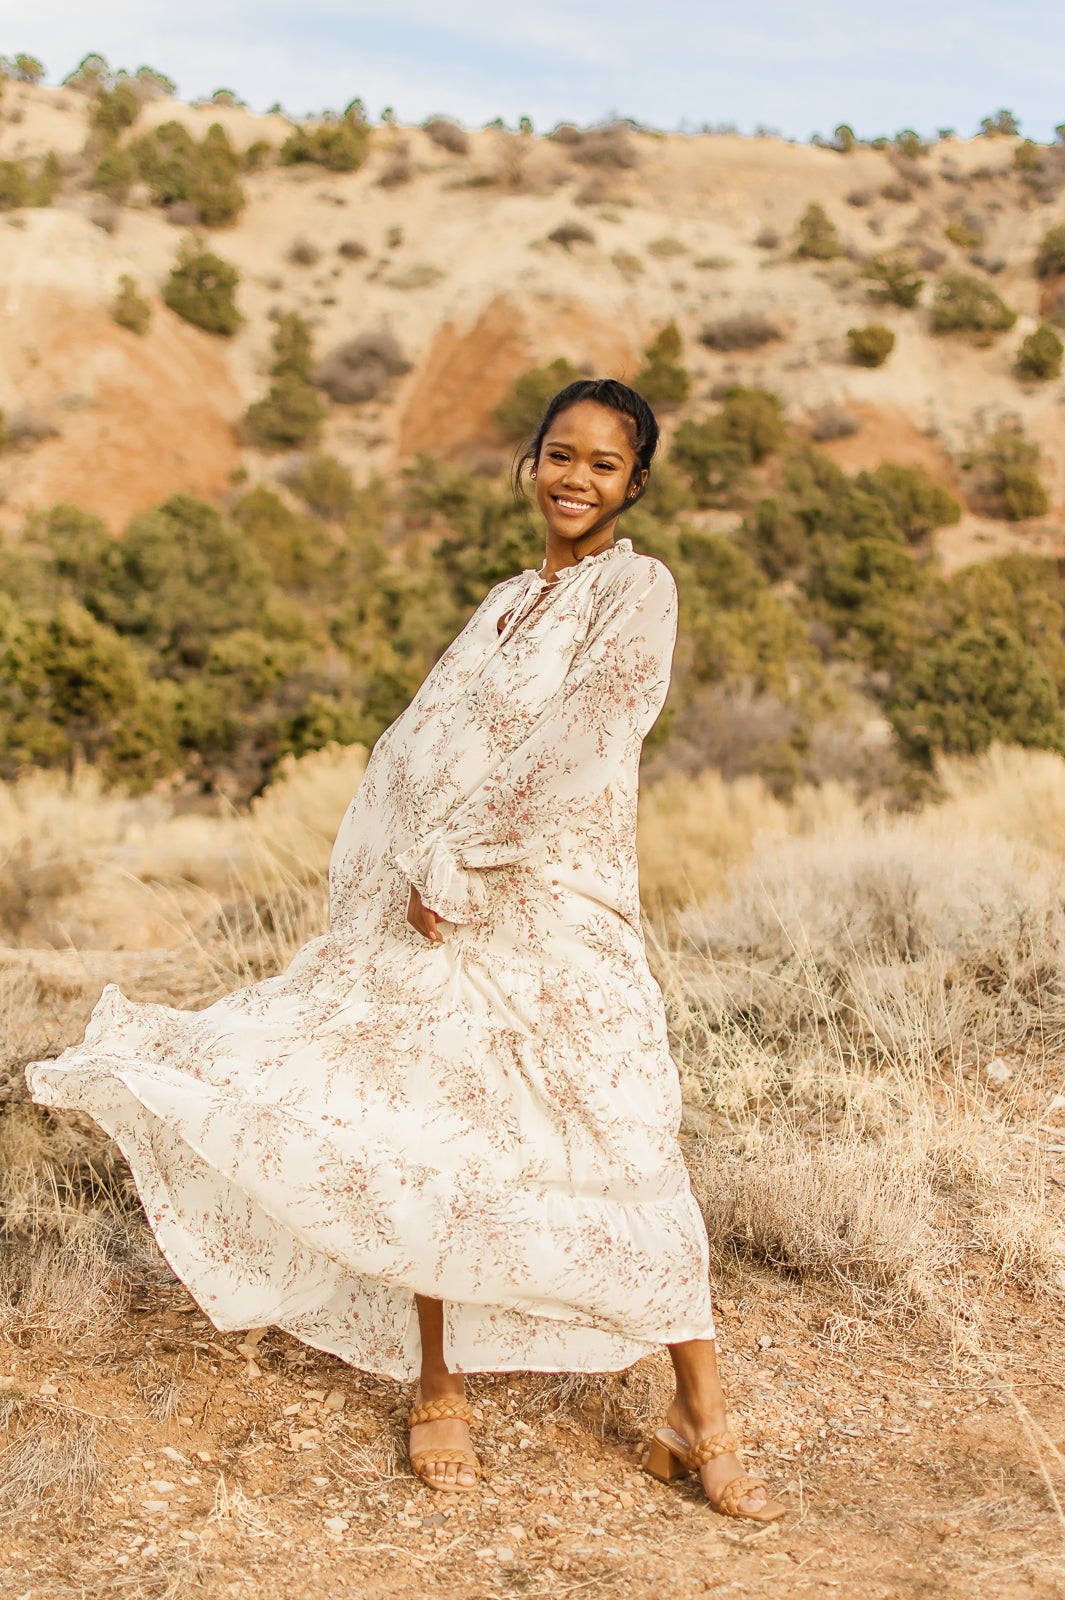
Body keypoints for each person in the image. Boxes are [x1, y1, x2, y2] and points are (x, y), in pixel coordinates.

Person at [27, 378, 783, 1522]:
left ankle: (699, 1411)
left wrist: (466, 855)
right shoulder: (498, 603)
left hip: (557, 907)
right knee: (433, 1128)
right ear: (529, 465)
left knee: (625, 1128)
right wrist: (395, 874)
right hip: (435, 910)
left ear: (636, 482)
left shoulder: (638, 591)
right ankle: (439, 1385)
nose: (576, 478)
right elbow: (415, 743)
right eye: (559, 455)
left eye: (603, 463)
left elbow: (587, 739)